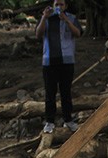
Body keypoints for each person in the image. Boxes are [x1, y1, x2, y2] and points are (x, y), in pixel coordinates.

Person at [35, 0, 82, 134]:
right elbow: (38, 34)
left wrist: (66, 20)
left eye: (61, 4)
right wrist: (44, 17)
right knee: (50, 93)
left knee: (66, 92)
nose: (58, 7)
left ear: (66, 6)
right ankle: (49, 121)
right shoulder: (47, 18)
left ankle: (68, 119)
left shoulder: (71, 18)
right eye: (56, 4)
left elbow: (78, 33)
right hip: (49, 61)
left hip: (67, 60)